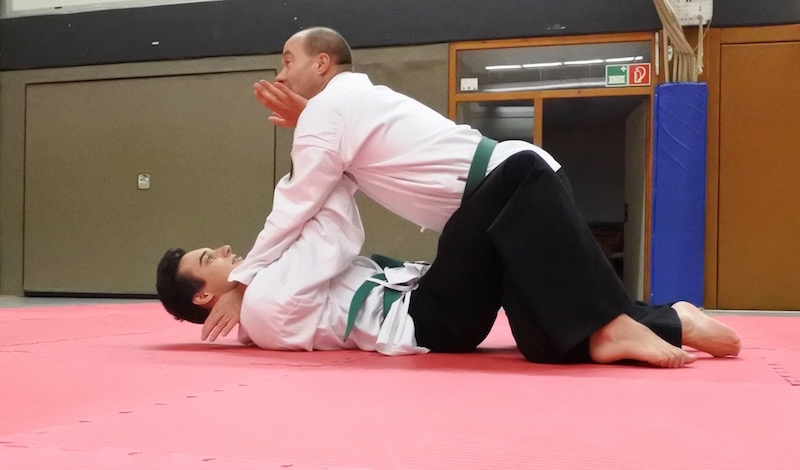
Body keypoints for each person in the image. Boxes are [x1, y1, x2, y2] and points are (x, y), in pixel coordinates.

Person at [193, 26, 740, 366]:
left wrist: (242, 279)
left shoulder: (329, 111)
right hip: (491, 206)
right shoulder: (338, 110)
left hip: (508, 188)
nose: (279, 73)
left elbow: (296, 206)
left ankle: (627, 322)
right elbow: (308, 205)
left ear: (322, 63)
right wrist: (244, 281)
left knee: (530, 201)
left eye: (287, 59)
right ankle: (670, 321)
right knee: (543, 340)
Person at [157, 158, 741, 367]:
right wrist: (321, 148)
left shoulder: (258, 290)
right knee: (521, 173)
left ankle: (662, 322)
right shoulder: (261, 305)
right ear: (204, 296)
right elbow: (332, 234)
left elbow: (315, 230)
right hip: (428, 320)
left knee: (516, 235)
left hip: (430, 301)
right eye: (211, 259)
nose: (226, 252)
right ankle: (626, 321)